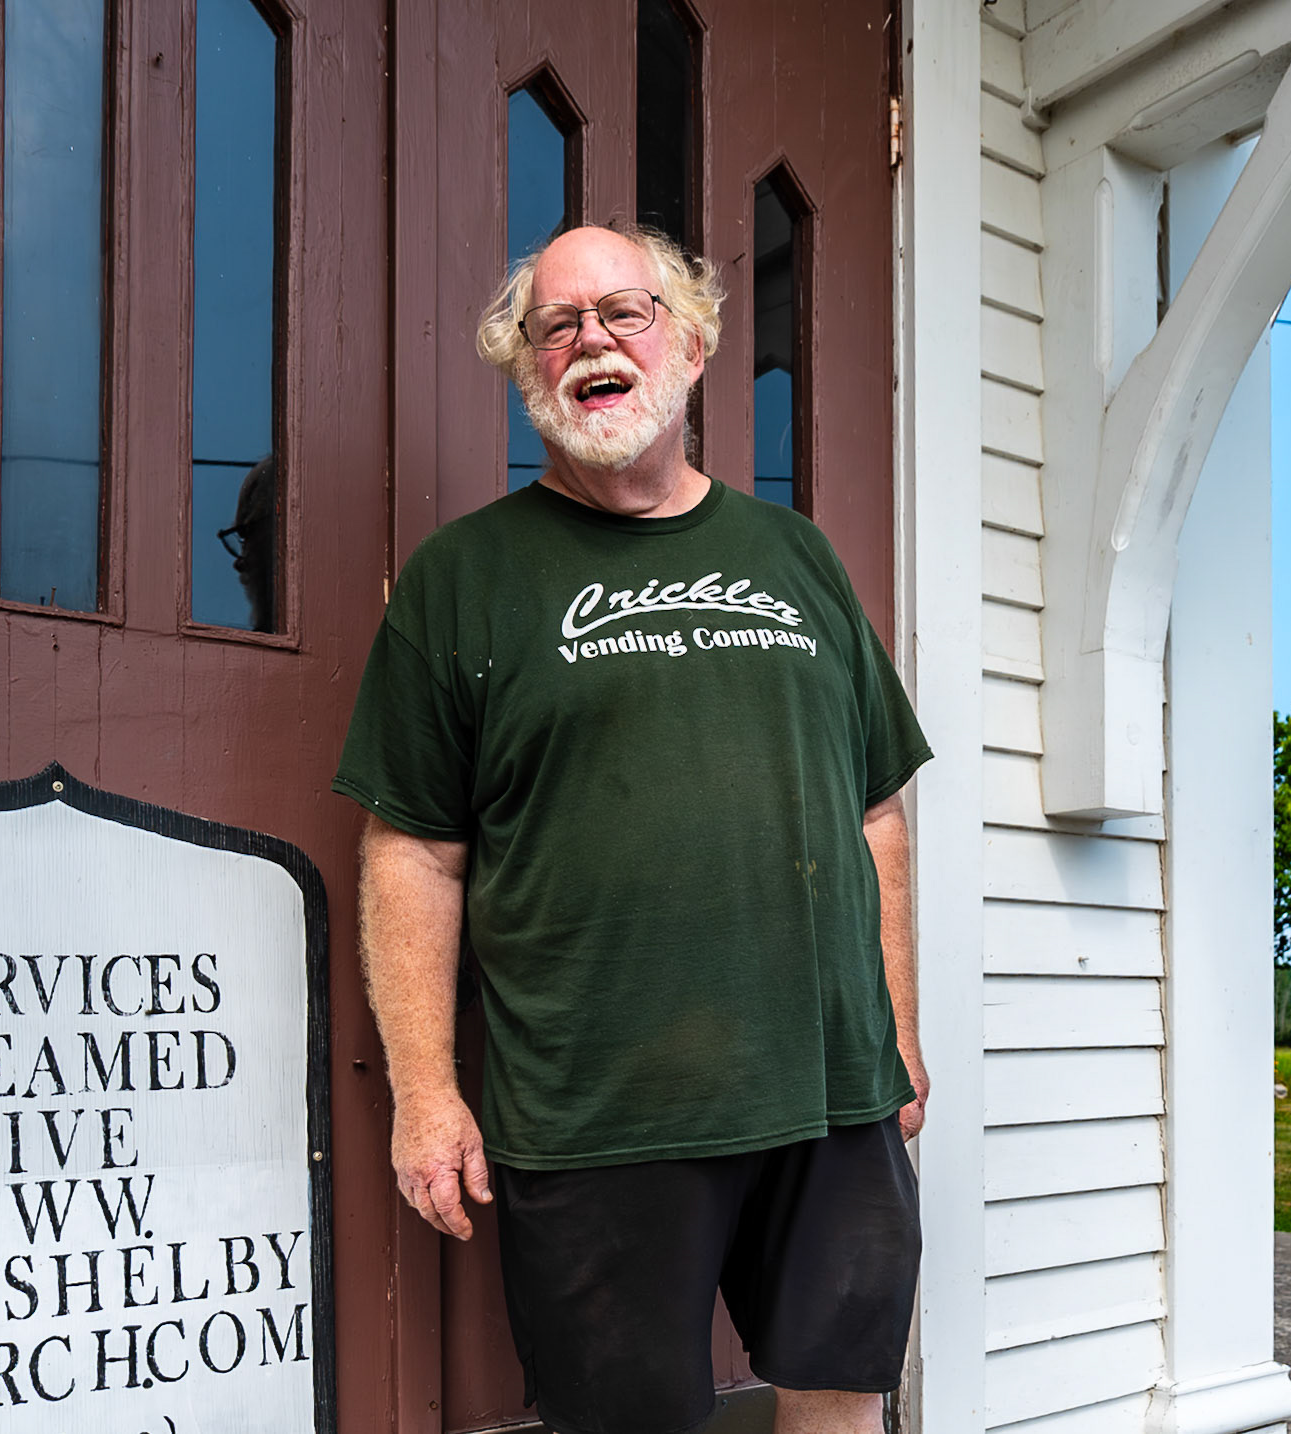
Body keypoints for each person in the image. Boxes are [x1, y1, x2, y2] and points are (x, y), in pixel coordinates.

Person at [333, 223, 931, 1434]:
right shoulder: (463, 581)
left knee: (839, 1397)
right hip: (595, 1113)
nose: (590, 341)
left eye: (624, 311)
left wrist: (896, 1034)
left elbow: (874, 812)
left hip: (828, 1093)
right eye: (554, 326)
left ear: (694, 342)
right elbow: (413, 850)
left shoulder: (795, 556)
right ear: (523, 370)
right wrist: (427, 1096)